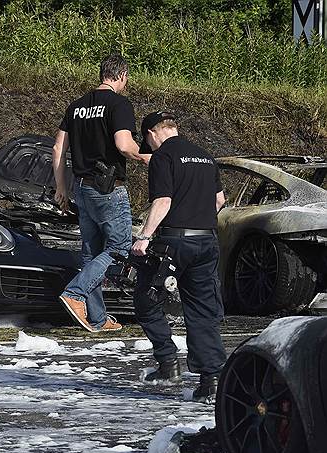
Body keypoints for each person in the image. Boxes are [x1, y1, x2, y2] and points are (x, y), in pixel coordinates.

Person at [132, 111, 227, 401]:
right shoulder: (205, 157)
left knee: (146, 300)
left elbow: (163, 200)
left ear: (151, 134)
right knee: (202, 311)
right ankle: (210, 382)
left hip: (174, 242)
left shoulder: (163, 157)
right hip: (207, 242)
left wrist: (144, 237)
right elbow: (220, 201)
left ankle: (167, 362)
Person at [52, 53, 149, 332]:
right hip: (108, 189)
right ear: (121, 76)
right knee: (118, 249)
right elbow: (123, 145)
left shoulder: (76, 106)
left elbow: (58, 148)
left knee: (91, 252)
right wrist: (147, 158)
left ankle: (96, 318)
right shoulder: (119, 104)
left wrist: (61, 187)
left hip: (81, 188)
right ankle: (75, 292)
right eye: (126, 78)